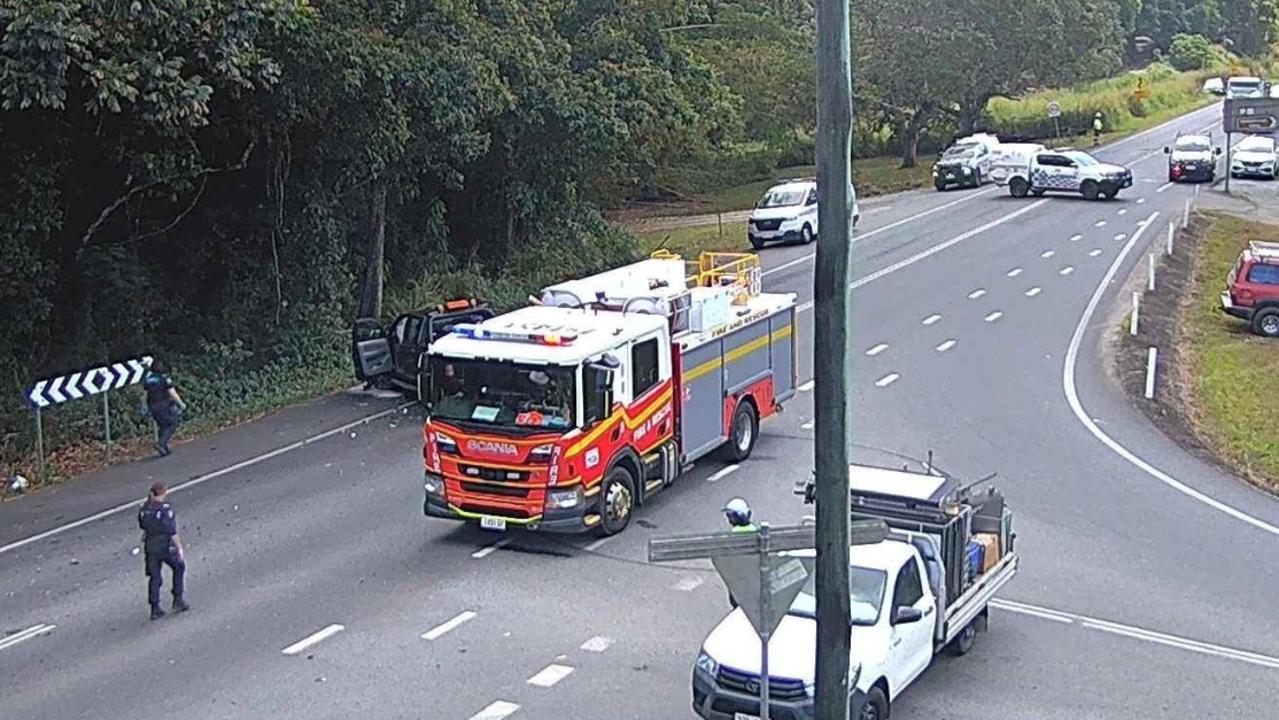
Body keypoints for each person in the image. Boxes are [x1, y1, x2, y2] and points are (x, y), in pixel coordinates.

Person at [137, 482, 189, 620]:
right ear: (163, 493)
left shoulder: (144, 509)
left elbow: (143, 527)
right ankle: (177, 598)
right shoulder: (164, 509)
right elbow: (171, 530)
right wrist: (179, 547)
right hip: (164, 545)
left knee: (154, 576)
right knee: (179, 567)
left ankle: (155, 607)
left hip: (150, 546)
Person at [143, 360, 187, 457]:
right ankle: (161, 443)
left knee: (162, 425)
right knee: (172, 423)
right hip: (164, 405)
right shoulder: (164, 379)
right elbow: (172, 393)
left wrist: (144, 406)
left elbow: (145, 394)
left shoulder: (148, 379)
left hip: (152, 406)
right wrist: (181, 404)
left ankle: (164, 447)